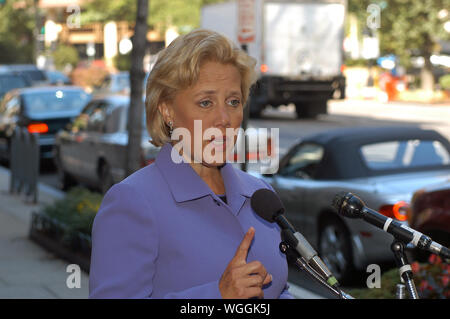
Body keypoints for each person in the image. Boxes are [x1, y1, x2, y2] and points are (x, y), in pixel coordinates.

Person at [89, 29, 293, 299]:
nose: (224, 118)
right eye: (205, 102)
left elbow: (279, 290)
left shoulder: (260, 196)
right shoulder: (132, 201)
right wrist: (217, 296)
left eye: (233, 101)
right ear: (167, 110)